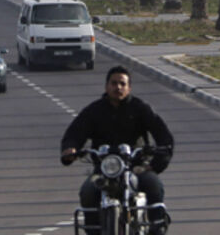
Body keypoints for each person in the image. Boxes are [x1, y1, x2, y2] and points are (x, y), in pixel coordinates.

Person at [60, 66, 175, 233]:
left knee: (154, 185)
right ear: (107, 86)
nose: (118, 87)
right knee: (88, 191)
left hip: (136, 167)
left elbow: (164, 136)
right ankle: (94, 232)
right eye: (114, 83)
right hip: (103, 169)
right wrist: (70, 149)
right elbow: (75, 133)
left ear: (129, 88)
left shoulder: (140, 108)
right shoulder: (94, 111)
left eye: (122, 83)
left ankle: (157, 229)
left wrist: (156, 163)